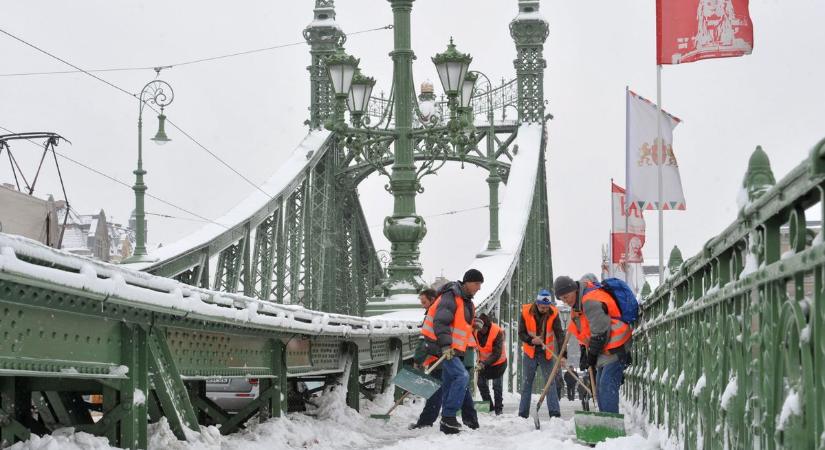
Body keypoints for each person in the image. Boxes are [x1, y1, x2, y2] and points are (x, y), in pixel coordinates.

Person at [554, 275, 632, 414]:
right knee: (599, 386)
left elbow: (601, 332)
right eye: (562, 299)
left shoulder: (589, 301)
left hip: (616, 344)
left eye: (566, 297)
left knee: (606, 385)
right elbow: (583, 332)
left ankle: (611, 425)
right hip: (606, 348)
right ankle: (604, 420)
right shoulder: (578, 305)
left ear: (574, 290)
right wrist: (586, 353)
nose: (565, 301)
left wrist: (592, 355)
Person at [421, 269, 484, 434]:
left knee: (450, 381)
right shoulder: (451, 297)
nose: (479, 288)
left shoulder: (466, 301)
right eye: (477, 284)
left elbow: (457, 324)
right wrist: (446, 346)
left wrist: (473, 323)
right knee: (461, 376)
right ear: (468, 282)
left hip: (453, 348)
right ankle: (448, 418)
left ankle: (446, 424)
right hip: (443, 346)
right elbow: (441, 322)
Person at [411, 288, 479, 430]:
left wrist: (417, 360)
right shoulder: (452, 307)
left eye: (424, 302)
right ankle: (470, 421)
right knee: (461, 388)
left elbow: (425, 340)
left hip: (442, 356)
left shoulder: (436, 312)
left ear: (432, 299)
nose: (422, 305)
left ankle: (428, 421)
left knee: (436, 392)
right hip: (457, 353)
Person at [517, 289, 564, 419]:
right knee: (527, 383)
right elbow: (521, 333)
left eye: (547, 307)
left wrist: (563, 355)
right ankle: (523, 414)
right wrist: (531, 340)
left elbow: (560, 335)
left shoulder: (554, 313)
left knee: (550, 383)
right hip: (530, 352)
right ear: (537, 304)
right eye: (542, 307)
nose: (545, 309)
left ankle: (554, 413)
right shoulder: (526, 312)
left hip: (546, 353)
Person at [472, 313, 507, 415]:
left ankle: (498, 409)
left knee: (497, 386)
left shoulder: (497, 332)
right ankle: (490, 407)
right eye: (479, 328)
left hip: (498, 363)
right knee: (481, 383)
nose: (480, 330)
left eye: (483, 328)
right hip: (484, 363)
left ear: (487, 326)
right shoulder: (475, 330)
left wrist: (484, 363)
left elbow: (497, 354)